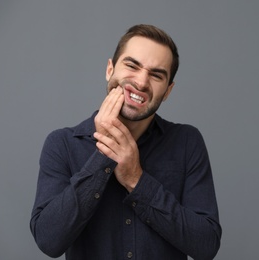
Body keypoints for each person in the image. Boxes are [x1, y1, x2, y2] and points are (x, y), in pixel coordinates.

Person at [30, 24, 221, 260]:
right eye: (132, 65)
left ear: (168, 91)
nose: (141, 82)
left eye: (156, 74)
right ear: (110, 69)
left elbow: (206, 245)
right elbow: (49, 241)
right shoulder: (61, 144)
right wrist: (104, 156)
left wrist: (136, 179)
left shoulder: (187, 142)